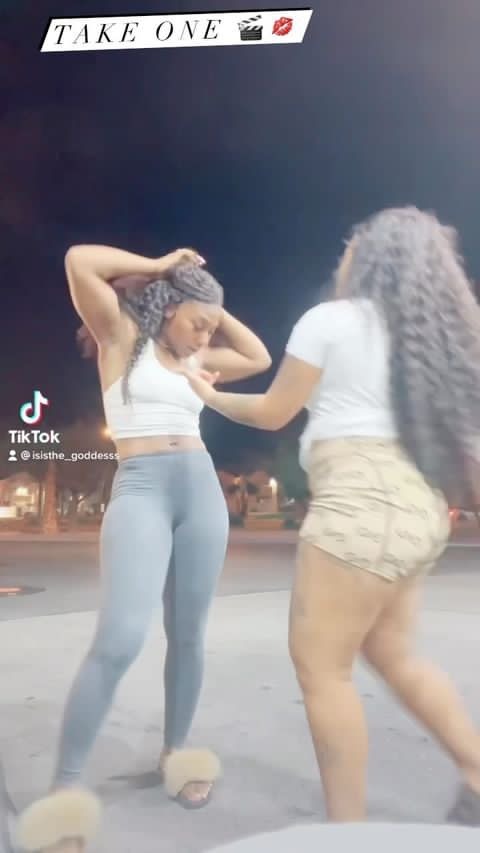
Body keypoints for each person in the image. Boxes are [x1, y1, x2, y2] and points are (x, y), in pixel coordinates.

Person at [181, 207, 480, 824]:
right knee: (394, 655)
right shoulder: (431, 338)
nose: (343, 253)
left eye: (351, 244)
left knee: (323, 670)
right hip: (419, 510)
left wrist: (207, 394)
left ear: (369, 257)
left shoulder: (332, 321)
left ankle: (347, 832)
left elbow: (273, 412)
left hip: (358, 507)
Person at [33, 244, 271, 835]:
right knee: (118, 639)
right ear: (168, 307)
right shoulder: (120, 337)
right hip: (141, 487)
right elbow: (79, 261)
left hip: (200, 490)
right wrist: (165, 268)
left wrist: (210, 302)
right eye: (197, 323)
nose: (205, 337)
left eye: (210, 328)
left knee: (188, 634)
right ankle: (65, 789)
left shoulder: (197, 356)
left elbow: (258, 356)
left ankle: (176, 752)